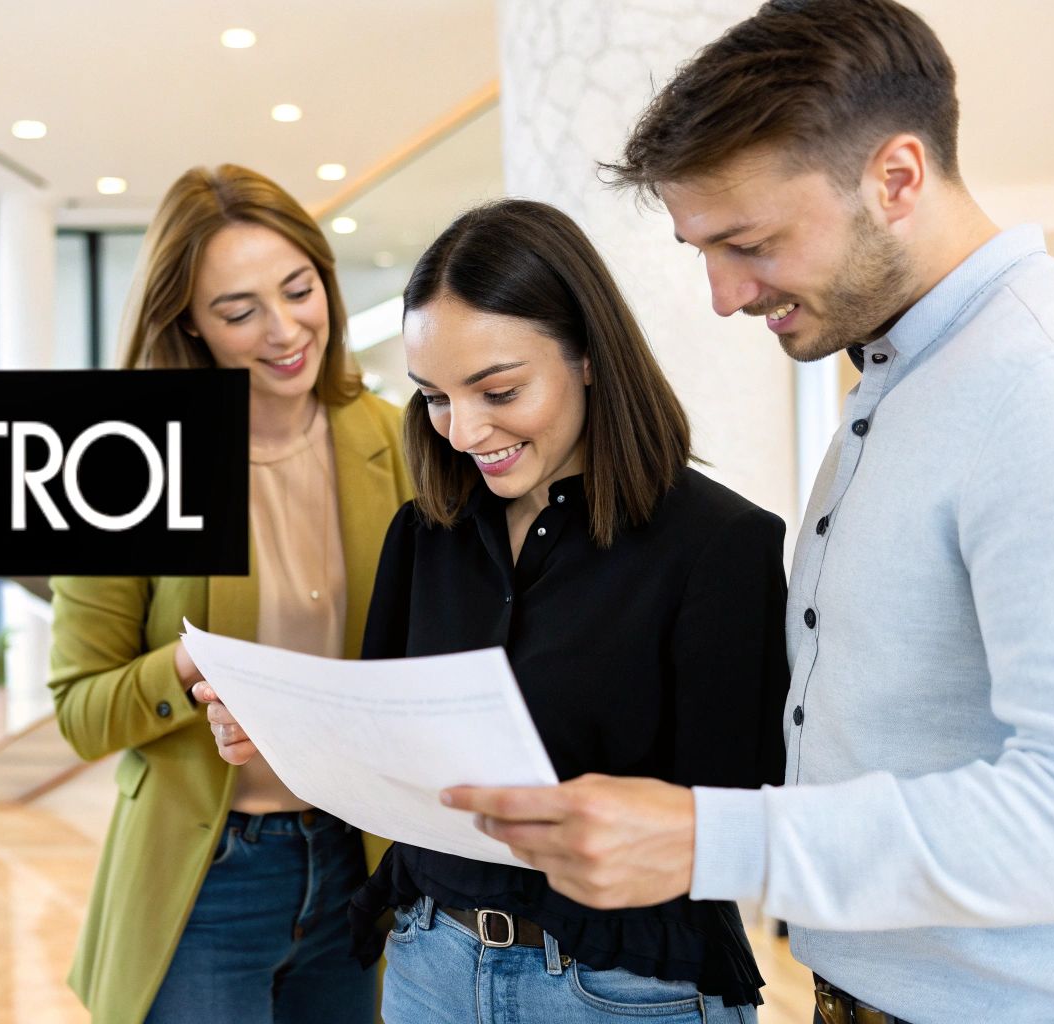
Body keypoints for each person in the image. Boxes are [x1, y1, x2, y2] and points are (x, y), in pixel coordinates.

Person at [439, 3, 1054, 1022]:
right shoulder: (899, 382)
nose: (720, 295)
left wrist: (712, 838)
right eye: (701, 248)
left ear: (894, 179)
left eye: (747, 242)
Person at [202, 198, 790, 1022]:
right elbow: (385, 748)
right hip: (429, 962)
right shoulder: (426, 533)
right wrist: (289, 734)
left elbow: (736, 819)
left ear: (587, 355)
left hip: (616, 990)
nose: (465, 430)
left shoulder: (719, 545)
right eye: (435, 397)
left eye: (498, 390)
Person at [48, 163, 413, 1024]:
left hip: (353, 857)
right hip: (208, 875)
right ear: (189, 324)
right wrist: (188, 664)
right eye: (239, 310)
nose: (285, 330)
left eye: (299, 290)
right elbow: (79, 710)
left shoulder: (394, 439)